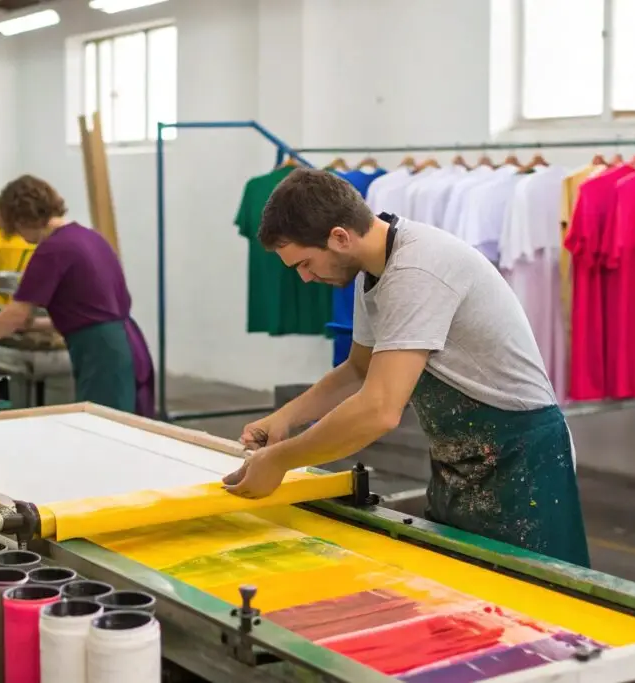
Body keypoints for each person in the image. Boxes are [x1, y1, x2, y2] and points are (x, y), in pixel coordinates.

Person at [222, 168, 590, 567]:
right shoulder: (372, 273)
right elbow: (358, 369)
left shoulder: (416, 270)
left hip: (523, 460)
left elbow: (378, 410)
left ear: (340, 237)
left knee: (537, 594)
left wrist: (279, 461)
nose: (307, 278)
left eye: (305, 263)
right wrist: (285, 418)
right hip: (462, 463)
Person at [0, 175, 154, 418]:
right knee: (124, 428)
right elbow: (93, 311)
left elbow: (16, 314)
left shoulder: (52, 249)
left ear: (21, 219)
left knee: (104, 429)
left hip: (102, 355)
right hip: (129, 345)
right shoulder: (90, 237)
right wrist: (35, 324)